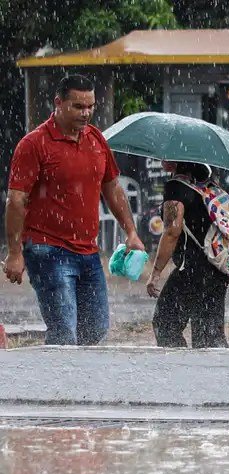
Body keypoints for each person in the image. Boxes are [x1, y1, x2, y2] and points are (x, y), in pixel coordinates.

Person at [3, 73, 145, 345]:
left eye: (90, 106)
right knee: (64, 333)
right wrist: (14, 253)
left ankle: (83, 386)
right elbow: (16, 201)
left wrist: (131, 231)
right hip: (47, 249)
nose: (86, 113)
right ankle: (54, 386)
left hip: (88, 251)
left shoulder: (96, 139)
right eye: (78, 106)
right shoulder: (33, 144)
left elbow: (113, 188)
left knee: (95, 331)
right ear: (58, 103)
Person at [146, 161, 229, 348]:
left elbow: (171, 232)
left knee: (165, 324)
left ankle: (182, 373)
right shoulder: (208, 182)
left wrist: (155, 273)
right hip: (218, 267)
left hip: (193, 269)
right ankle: (221, 374)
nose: (162, 159)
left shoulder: (176, 187)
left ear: (176, 160)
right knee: (209, 335)